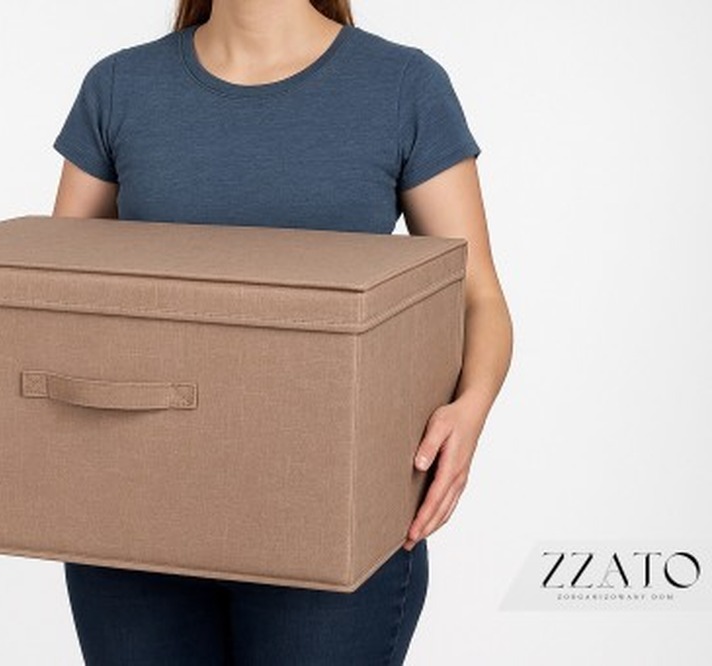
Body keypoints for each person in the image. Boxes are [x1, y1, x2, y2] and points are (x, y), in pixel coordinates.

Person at [50, 0, 513, 663]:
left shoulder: (403, 86)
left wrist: (471, 411)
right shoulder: (120, 87)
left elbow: (478, 295)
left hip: (330, 514)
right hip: (134, 515)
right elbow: (58, 301)